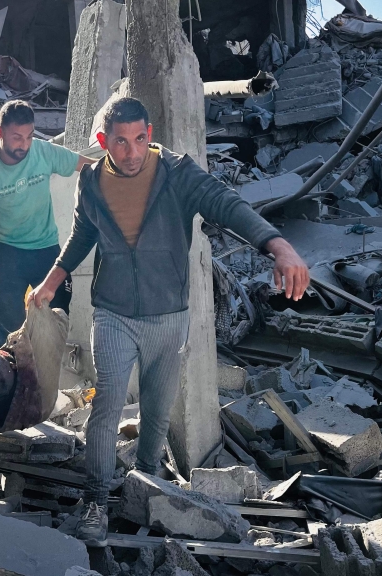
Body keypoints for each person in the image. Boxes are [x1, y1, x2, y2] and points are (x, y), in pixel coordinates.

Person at [28, 97, 310, 547]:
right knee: (107, 403)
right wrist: (51, 281)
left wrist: (278, 245)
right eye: (121, 142)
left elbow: (226, 204)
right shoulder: (92, 181)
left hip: (169, 318)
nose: (132, 152)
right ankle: (96, 501)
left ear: (150, 134)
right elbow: (83, 233)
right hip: (113, 312)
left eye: (140, 139)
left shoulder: (177, 173)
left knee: (157, 411)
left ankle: (145, 484)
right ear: (104, 141)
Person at [0, 99, 94, 333]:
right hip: (6, 250)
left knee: (57, 317)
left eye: (29, 136)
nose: (24, 145)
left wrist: (120, 176)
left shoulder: (43, 151)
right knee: (11, 326)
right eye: (17, 137)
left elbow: (89, 167)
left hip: (45, 248)